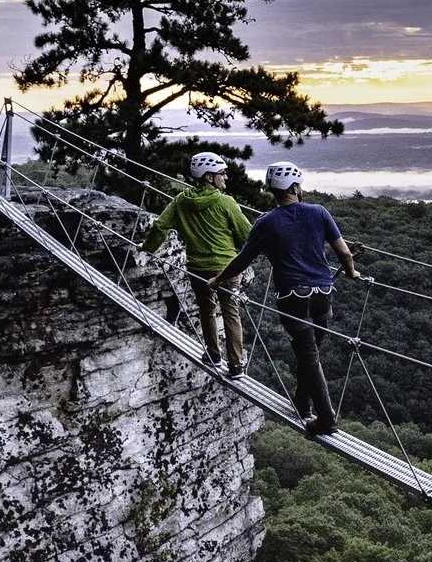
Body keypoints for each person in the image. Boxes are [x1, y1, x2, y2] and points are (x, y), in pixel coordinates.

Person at [216, 160, 361, 436]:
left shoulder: (266, 222)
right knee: (310, 353)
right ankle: (303, 404)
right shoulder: (319, 212)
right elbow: (343, 252)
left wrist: (217, 280)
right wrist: (352, 273)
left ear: (273, 191)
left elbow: (243, 259)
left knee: (308, 355)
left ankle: (326, 418)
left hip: (293, 297)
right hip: (324, 293)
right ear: (295, 186)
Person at [142, 151, 252, 376]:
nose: (225, 178)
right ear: (209, 177)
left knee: (206, 309)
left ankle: (213, 354)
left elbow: (160, 226)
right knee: (231, 313)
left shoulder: (181, 200)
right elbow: (248, 235)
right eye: (221, 173)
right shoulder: (226, 202)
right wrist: (246, 258)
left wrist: (147, 248)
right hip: (227, 267)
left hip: (197, 268)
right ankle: (236, 365)